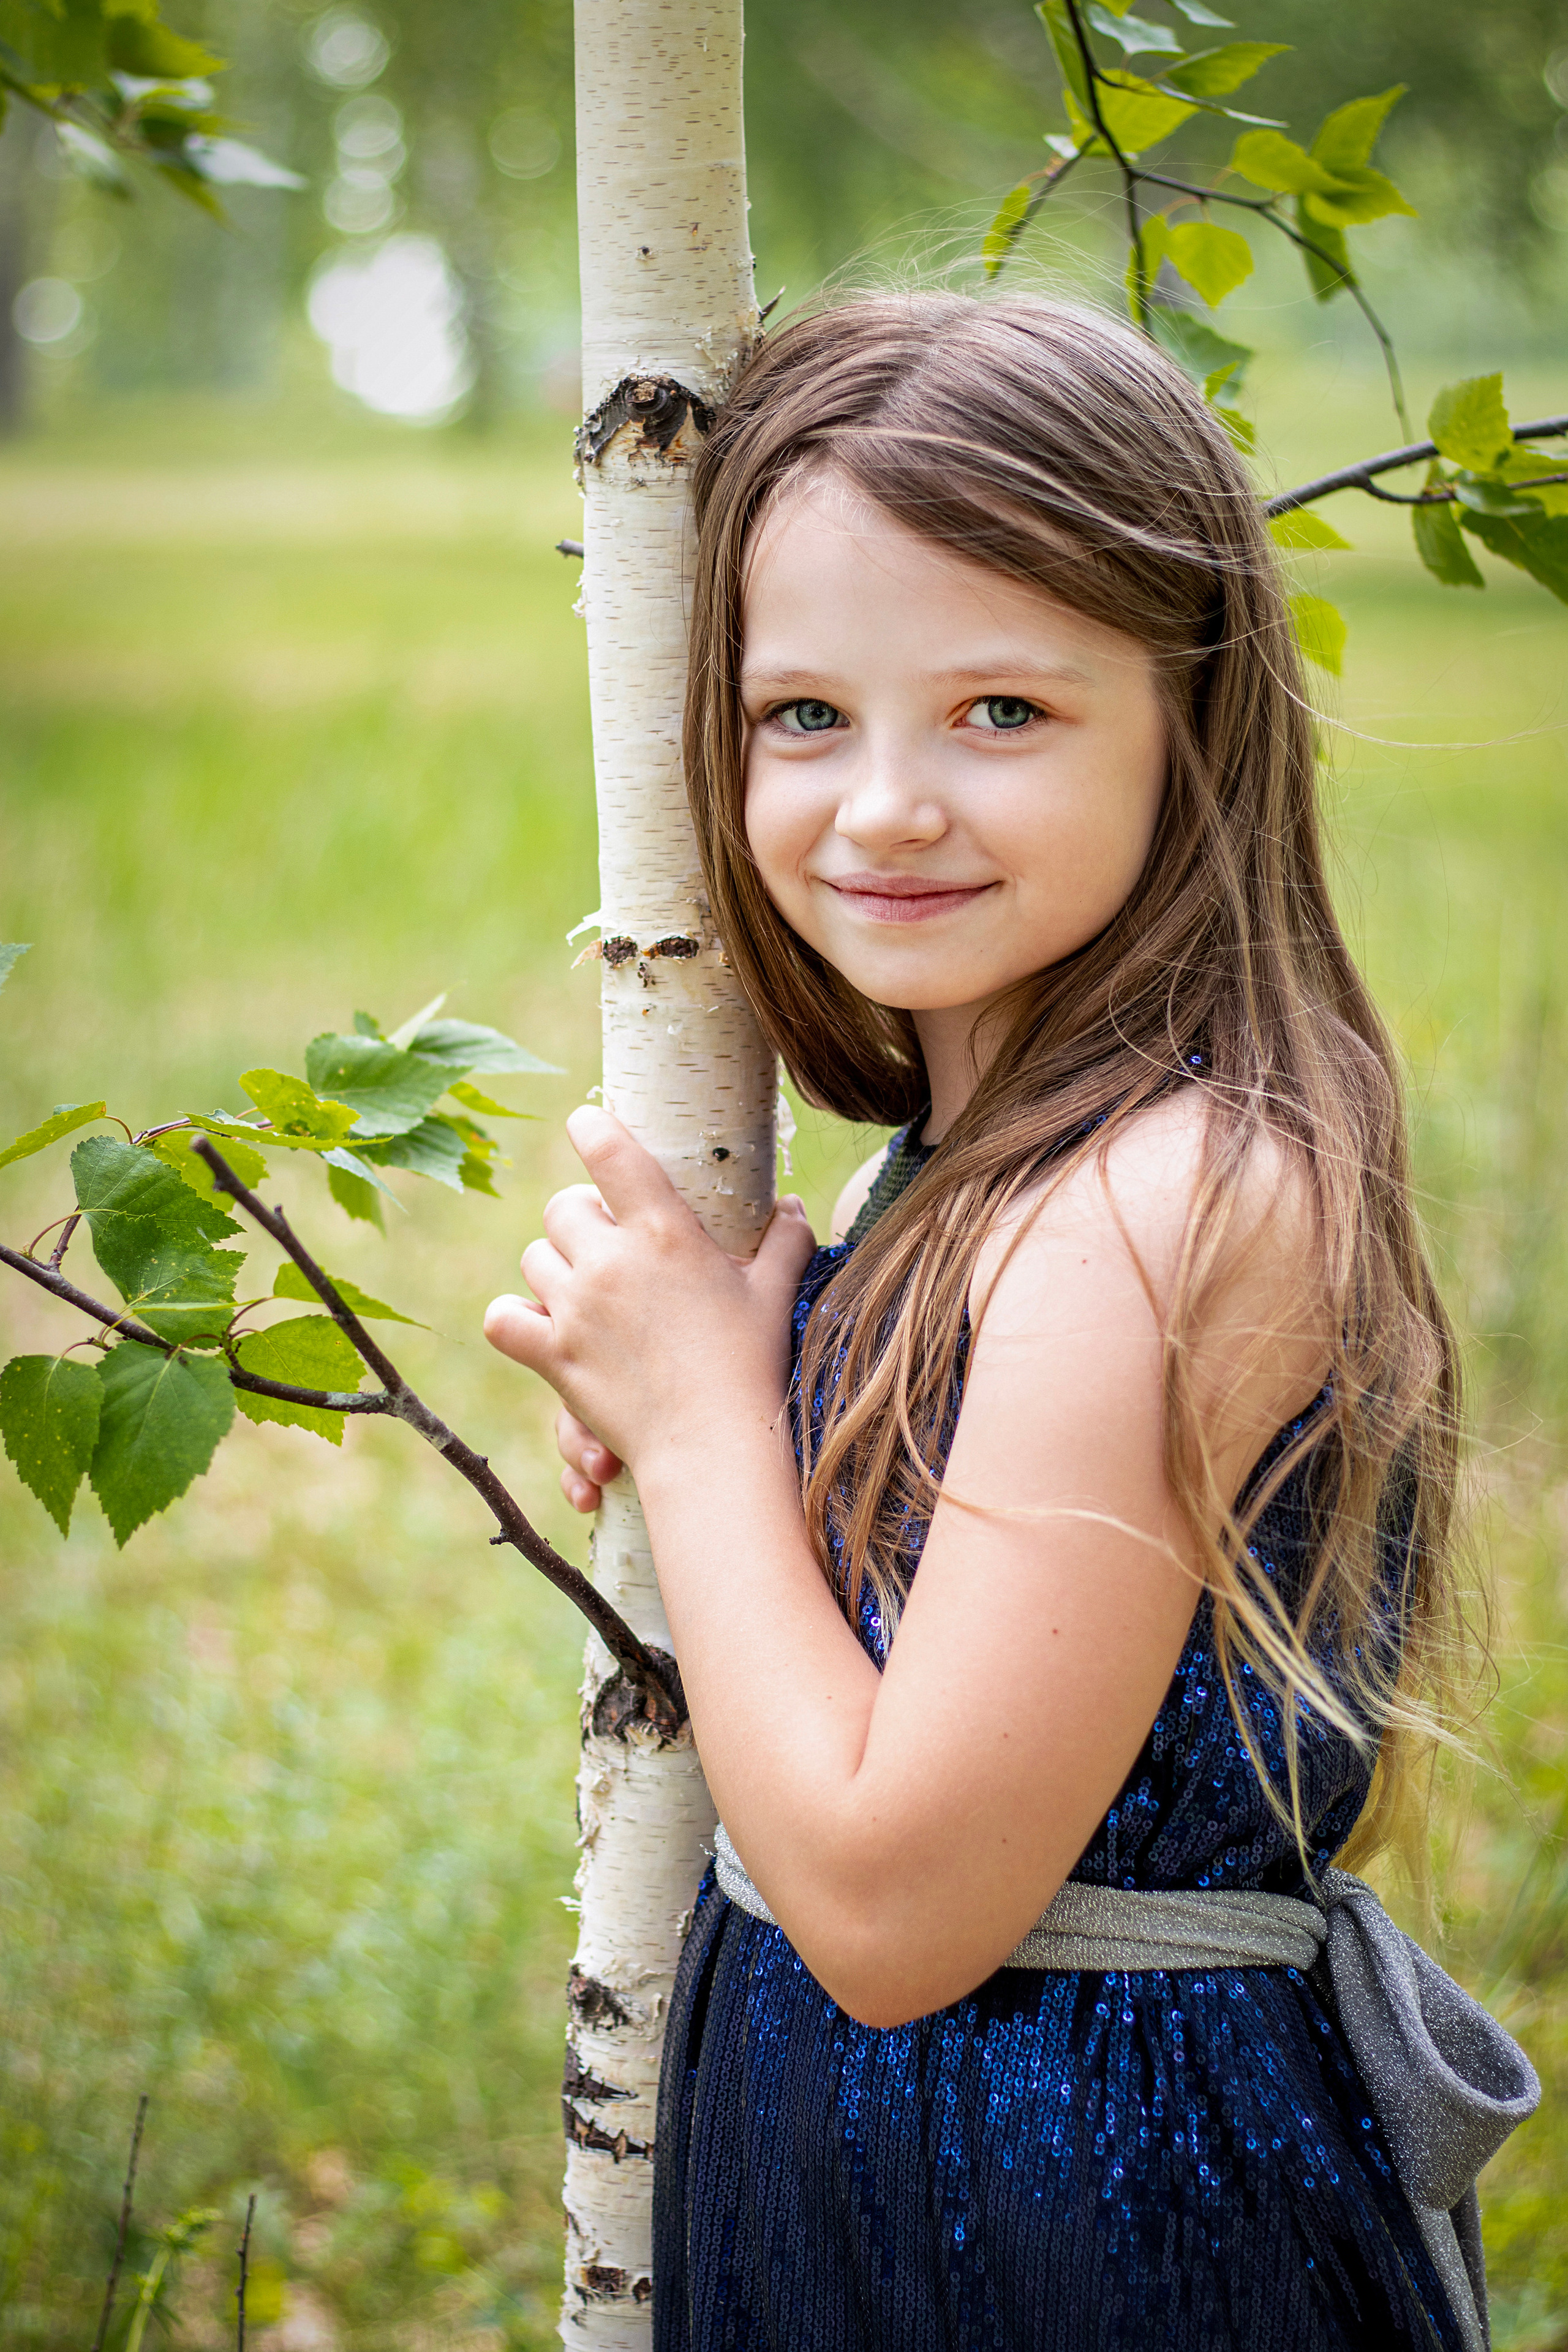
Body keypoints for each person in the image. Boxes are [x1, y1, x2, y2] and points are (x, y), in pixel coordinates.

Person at [483, 295, 1535, 2350]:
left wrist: (706, 1433)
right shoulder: (976, 1163)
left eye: (1002, 714)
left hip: (1091, 2229)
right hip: (890, 2190)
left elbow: (889, 1911)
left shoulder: (1165, 1198)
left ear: (1194, 716)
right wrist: (748, 1438)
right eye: (806, 717)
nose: (883, 807)